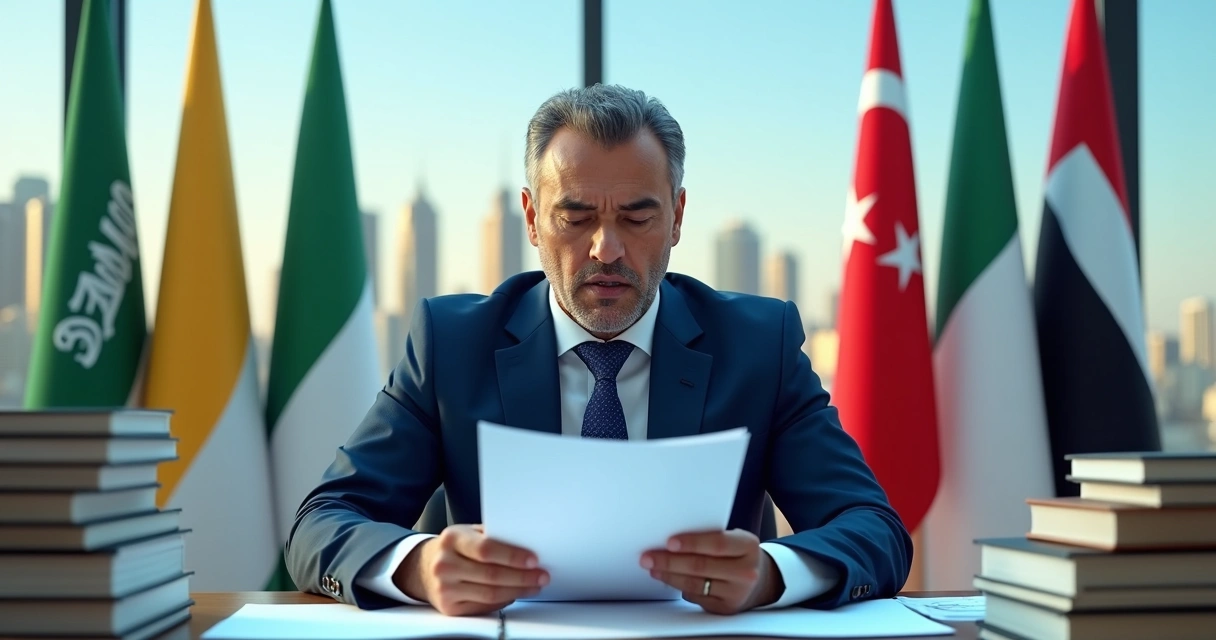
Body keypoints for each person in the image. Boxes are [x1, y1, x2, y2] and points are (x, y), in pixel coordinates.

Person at [285, 84, 911, 616]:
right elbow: (321, 522)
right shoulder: (452, 344)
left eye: (637, 218)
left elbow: (876, 530)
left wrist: (772, 576)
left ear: (677, 218)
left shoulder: (758, 345)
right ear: (532, 219)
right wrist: (417, 566)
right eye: (576, 217)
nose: (605, 248)